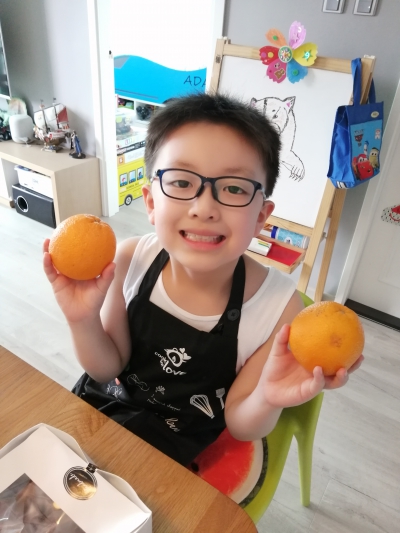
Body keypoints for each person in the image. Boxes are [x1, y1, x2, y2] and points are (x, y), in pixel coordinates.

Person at [43, 93, 363, 466]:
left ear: (261, 217)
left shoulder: (278, 308)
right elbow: (107, 368)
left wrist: (268, 397)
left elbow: (240, 424)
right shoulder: (131, 260)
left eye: (234, 188)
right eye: (181, 182)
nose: (205, 208)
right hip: (99, 409)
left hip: (174, 451)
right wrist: (82, 319)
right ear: (151, 202)